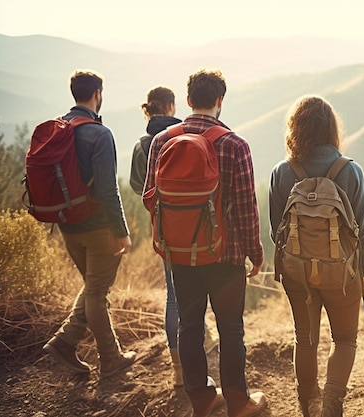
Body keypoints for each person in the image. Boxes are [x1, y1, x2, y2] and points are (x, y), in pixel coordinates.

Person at [143, 69, 267, 417]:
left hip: (179, 255)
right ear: (220, 101)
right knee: (230, 329)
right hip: (224, 256)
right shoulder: (235, 145)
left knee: (189, 325)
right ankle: (239, 402)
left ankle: (201, 399)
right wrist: (254, 254)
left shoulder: (161, 141)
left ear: (187, 101)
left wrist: (171, 238)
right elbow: (245, 208)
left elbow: (149, 198)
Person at [268, 95, 364, 417]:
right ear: (331, 129)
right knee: (344, 339)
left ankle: (308, 404)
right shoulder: (350, 171)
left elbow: (277, 231)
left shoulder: (281, 172)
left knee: (306, 338)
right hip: (343, 274)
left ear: (295, 129)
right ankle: (332, 406)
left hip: (297, 271)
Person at [42, 70, 136, 378]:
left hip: (68, 227)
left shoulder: (60, 127)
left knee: (93, 287)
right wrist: (121, 232)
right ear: (97, 94)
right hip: (98, 228)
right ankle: (109, 358)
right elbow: (108, 190)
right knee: (97, 292)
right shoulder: (99, 134)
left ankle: (65, 342)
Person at [129, 86, 218, 388]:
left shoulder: (149, 143)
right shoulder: (196, 134)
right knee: (201, 292)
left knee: (174, 296)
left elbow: (139, 188)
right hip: (205, 230)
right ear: (172, 105)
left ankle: (179, 369)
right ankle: (204, 342)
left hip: (168, 232)